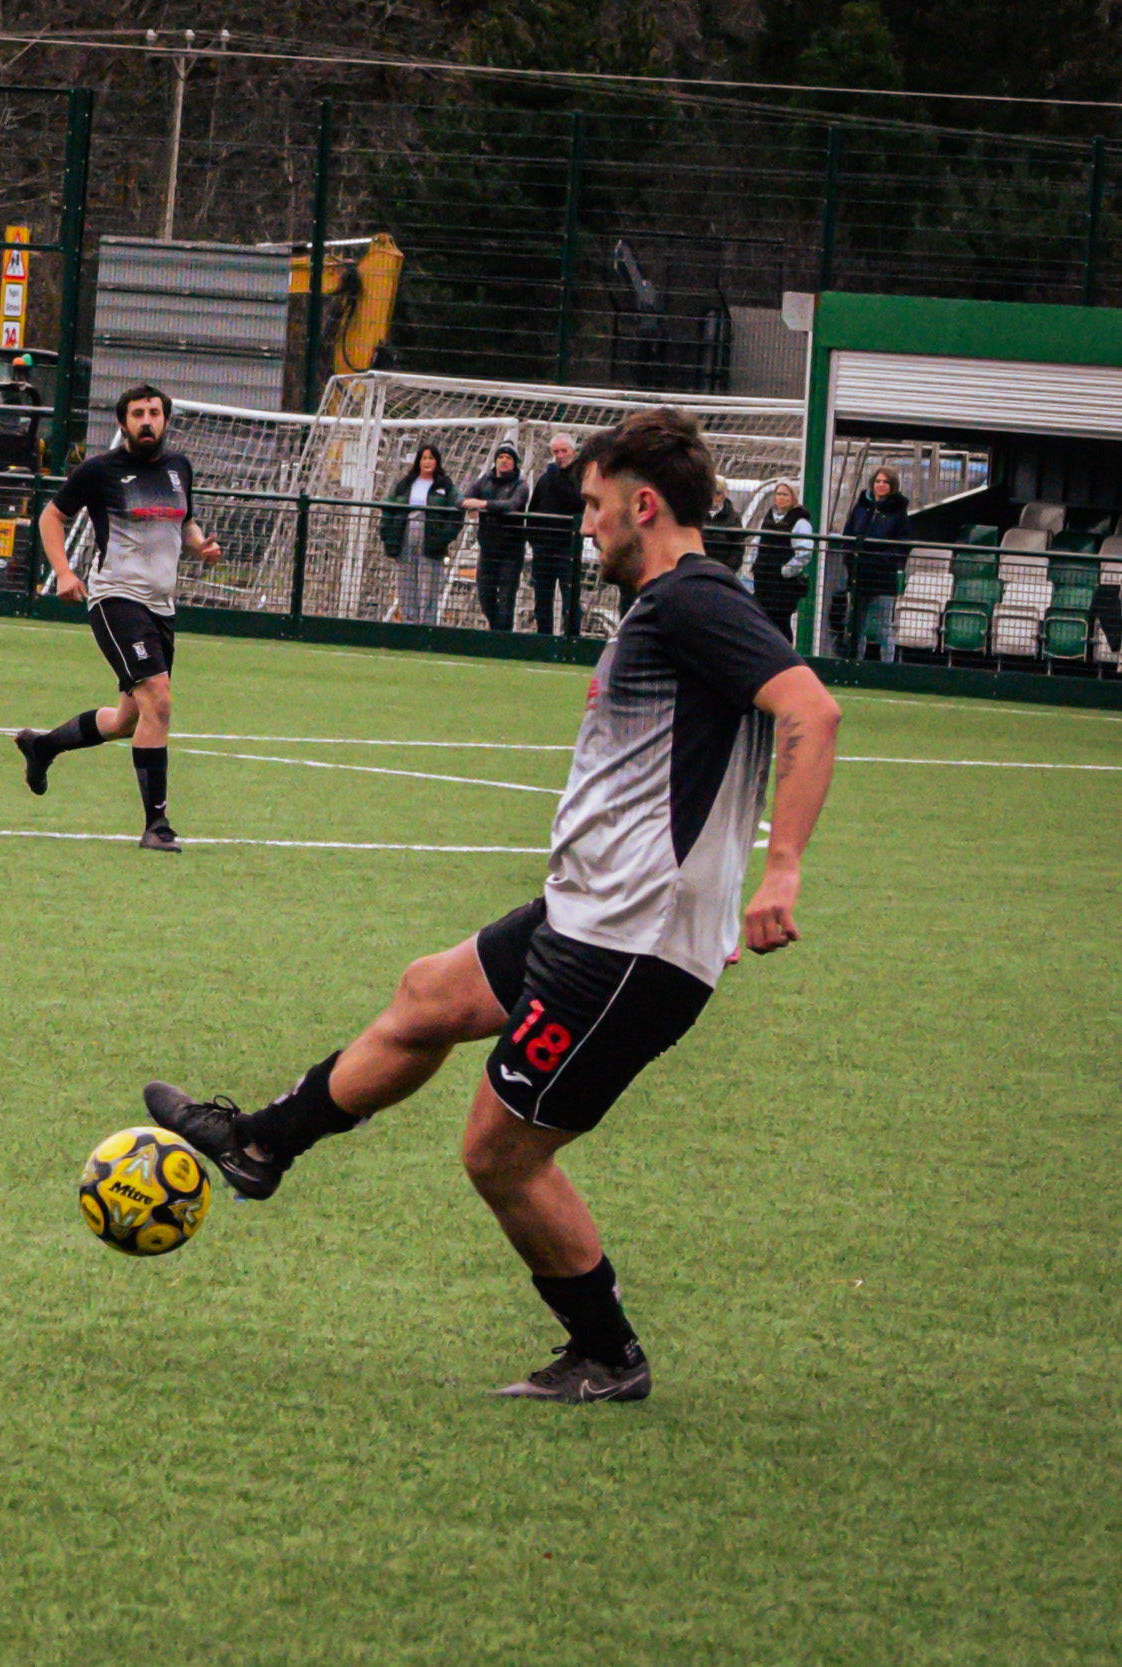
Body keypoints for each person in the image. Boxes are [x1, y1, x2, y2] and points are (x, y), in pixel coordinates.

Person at [142, 407, 841, 1403]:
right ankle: (259, 1143)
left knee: (499, 1152)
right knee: (427, 994)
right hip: (587, 913)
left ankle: (607, 1354)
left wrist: (779, 873)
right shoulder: (668, 607)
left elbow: (811, 710)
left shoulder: (695, 600)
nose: (586, 524)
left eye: (596, 506)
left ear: (645, 505)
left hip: (624, 943)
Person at [14, 383, 223, 853]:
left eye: (154, 412)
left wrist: (199, 545)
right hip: (116, 600)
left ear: (165, 419)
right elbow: (51, 518)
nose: (147, 420)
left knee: (129, 719)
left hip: (162, 606)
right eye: (137, 414)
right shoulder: (99, 471)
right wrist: (63, 572)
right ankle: (157, 825)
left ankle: (42, 746)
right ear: (123, 423)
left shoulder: (179, 469)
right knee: (160, 702)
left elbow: (183, 522)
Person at [379, 444, 462, 625]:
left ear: (437, 461)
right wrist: (387, 532)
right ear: (418, 461)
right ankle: (409, 622)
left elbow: (457, 511)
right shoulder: (404, 484)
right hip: (405, 533)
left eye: (431, 458)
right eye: (424, 458)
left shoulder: (445, 486)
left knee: (429, 582)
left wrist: (443, 537)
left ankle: (427, 623)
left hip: (431, 536)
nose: (427, 462)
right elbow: (388, 506)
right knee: (406, 579)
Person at [841, 467, 912, 662]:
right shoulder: (861, 506)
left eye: (885, 482)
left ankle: (887, 667)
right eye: (878, 481)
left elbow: (902, 545)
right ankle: (855, 664)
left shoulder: (899, 512)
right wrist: (851, 557)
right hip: (858, 575)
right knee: (856, 625)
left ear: (892, 486)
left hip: (882, 578)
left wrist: (881, 560)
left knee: (883, 627)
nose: (880, 485)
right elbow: (847, 535)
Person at [463, 442, 531, 631]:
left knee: (506, 597)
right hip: (487, 547)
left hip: (511, 550)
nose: (504, 461)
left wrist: (483, 505)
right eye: (501, 457)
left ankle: (502, 637)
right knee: (485, 594)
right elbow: (464, 498)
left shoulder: (521, 484)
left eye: (508, 458)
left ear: (515, 462)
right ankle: (496, 630)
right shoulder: (485, 480)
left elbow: (512, 505)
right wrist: (468, 504)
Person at [525, 431, 586, 637]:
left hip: (567, 547)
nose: (559, 455)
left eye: (563, 451)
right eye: (555, 451)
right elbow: (533, 508)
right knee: (542, 597)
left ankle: (572, 640)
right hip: (543, 548)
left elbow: (575, 502)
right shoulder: (545, 479)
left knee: (570, 597)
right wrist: (533, 538)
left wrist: (554, 475)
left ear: (573, 451)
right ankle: (544, 637)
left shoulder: (580, 476)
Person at [749, 481, 816, 638]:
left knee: (780, 622)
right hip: (763, 579)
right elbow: (756, 543)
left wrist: (785, 571)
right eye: (778, 494)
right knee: (761, 618)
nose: (781, 497)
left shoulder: (800, 522)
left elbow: (804, 553)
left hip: (783, 584)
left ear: (793, 498)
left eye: (785, 494)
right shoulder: (767, 518)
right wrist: (752, 565)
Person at [703, 478, 746, 572]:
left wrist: (727, 569)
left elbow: (738, 548)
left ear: (724, 495)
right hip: (699, 568)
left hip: (722, 570)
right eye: (710, 492)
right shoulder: (698, 513)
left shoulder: (733, 517)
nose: (713, 497)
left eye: (717, 493)